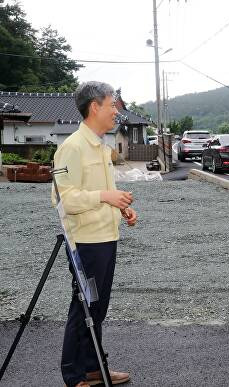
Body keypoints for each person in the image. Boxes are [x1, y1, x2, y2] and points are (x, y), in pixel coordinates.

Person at [53, 82, 137, 387]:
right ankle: (73, 376)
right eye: (112, 105)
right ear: (95, 107)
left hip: (105, 237)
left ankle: (92, 367)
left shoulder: (100, 145)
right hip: (85, 243)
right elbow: (66, 200)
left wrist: (121, 207)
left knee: (97, 306)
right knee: (84, 306)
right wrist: (105, 196)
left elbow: (104, 191)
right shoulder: (72, 147)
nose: (116, 111)